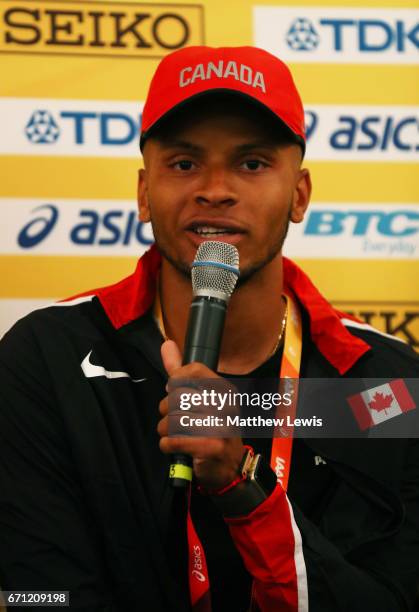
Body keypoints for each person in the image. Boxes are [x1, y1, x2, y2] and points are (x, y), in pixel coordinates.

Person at [0, 45, 418, 612]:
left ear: (299, 195)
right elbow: (34, 596)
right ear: (144, 193)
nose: (216, 188)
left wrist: (242, 483)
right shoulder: (45, 358)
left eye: (251, 163)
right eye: (184, 163)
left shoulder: (388, 388)